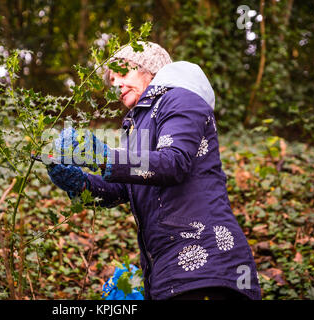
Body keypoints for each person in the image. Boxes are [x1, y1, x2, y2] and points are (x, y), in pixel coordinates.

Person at [47, 41, 261, 300]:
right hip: (168, 273)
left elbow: (173, 162)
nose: (116, 85)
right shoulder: (137, 125)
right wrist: (78, 182)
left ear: (149, 70)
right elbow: (122, 189)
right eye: (113, 80)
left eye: (122, 73)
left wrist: (102, 157)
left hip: (207, 267)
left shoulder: (180, 97)